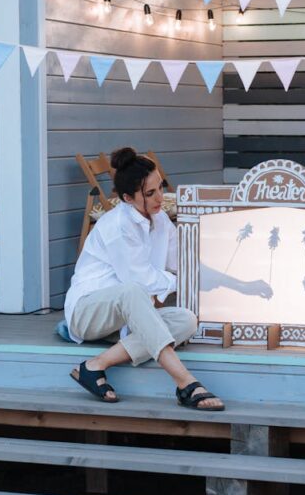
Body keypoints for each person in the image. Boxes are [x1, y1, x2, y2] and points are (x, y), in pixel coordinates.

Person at [65, 147, 225, 410]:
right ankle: (185, 382)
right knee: (134, 290)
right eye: (150, 193)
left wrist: (232, 281)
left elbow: (181, 265)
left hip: (124, 318)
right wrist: (176, 280)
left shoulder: (160, 220)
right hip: (87, 313)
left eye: (160, 187)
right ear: (128, 198)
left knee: (186, 320)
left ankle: (96, 365)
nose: (160, 198)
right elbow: (144, 283)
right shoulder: (118, 226)